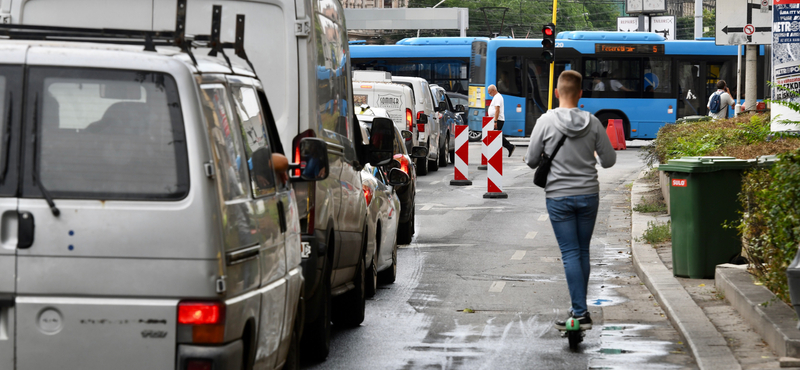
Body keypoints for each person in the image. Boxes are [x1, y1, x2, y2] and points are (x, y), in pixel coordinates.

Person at [524, 70, 616, 329]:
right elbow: (609, 161)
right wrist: (588, 157)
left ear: (556, 93)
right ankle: (580, 308)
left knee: (570, 253)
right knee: (582, 251)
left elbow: (531, 161)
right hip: (589, 195)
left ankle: (579, 311)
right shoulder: (593, 122)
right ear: (580, 94)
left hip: (558, 197)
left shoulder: (545, 120)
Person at [487, 84, 516, 157]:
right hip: (497, 120)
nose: (488, 93)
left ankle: (510, 147)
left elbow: (497, 110)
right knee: (496, 136)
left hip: (498, 120)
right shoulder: (496, 97)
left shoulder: (497, 97)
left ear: (493, 90)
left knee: (496, 136)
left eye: (489, 92)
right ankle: (508, 147)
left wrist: (495, 121)